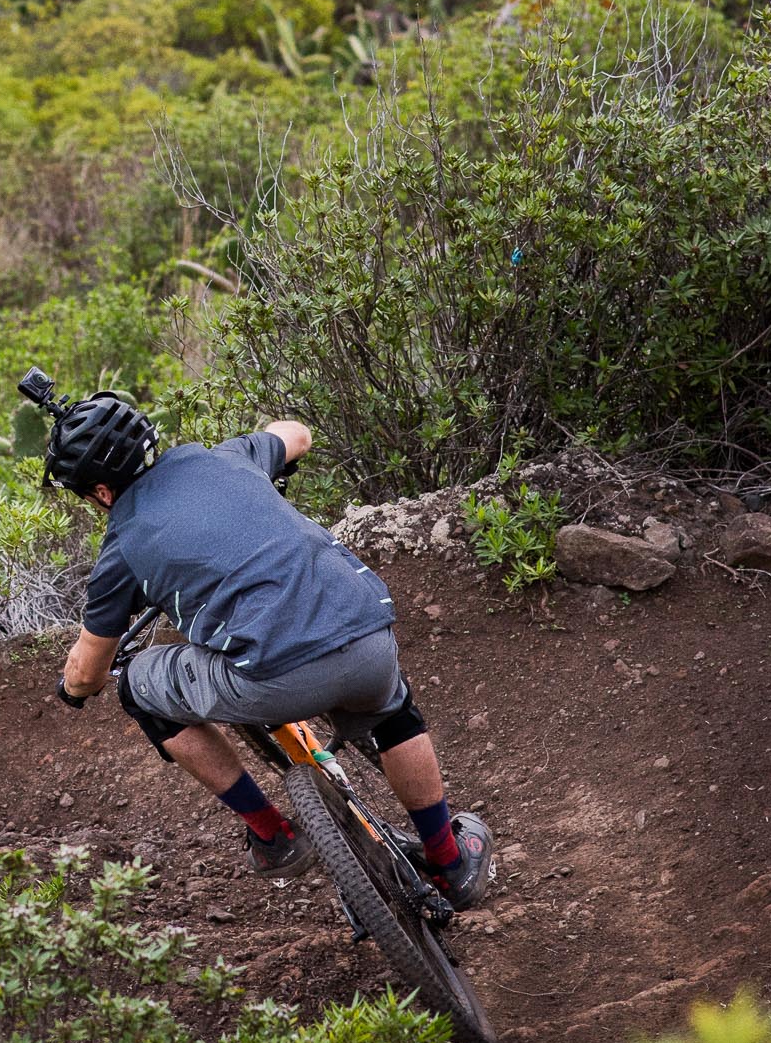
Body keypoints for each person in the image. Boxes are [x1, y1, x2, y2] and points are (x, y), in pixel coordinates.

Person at [30, 376, 494, 905]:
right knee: (392, 711)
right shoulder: (228, 457)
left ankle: (273, 837)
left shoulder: (124, 545)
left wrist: (73, 689)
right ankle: (449, 863)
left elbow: (88, 671)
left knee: (138, 689)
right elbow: (296, 434)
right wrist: (275, 460)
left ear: (102, 492)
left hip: (272, 679)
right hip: (368, 636)